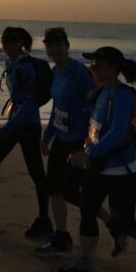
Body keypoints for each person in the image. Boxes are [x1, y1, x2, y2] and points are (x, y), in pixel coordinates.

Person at [58, 46, 136, 272]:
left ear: (114, 68)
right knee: (88, 211)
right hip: (99, 167)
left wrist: (88, 154)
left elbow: (116, 132)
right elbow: (96, 126)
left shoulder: (123, 96)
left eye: (99, 64)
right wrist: (87, 145)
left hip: (122, 172)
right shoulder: (100, 91)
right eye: (92, 64)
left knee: (124, 223)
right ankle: (86, 262)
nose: (93, 68)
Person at [0, 27, 53, 240]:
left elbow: (31, 104)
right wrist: (10, 124)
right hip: (16, 123)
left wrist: (8, 129)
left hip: (27, 126)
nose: (7, 45)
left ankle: (44, 220)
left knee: (36, 174)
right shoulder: (12, 63)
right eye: (4, 41)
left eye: (12, 41)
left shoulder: (25, 67)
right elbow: (19, 99)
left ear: (21, 43)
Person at [33, 28, 95, 258]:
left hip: (79, 141)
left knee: (74, 193)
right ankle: (61, 237)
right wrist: (46, 136)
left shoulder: (77, 71)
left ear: (67, 46)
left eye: (58, 45)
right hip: (61, 138)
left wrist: (90, 143)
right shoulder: (54, 72)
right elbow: (58, 108)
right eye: (50, 46)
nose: (54, 50)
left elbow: (96, 102)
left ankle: (113, 222)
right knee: (54, 189)